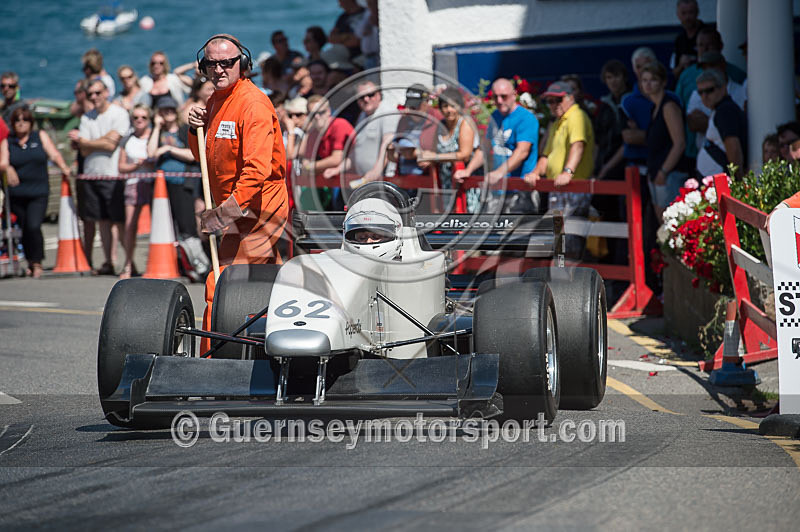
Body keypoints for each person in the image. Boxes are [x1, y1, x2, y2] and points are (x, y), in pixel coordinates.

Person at [186, 34, 289, 351]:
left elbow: (256, 170)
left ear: (242, 64)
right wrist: (194, 129)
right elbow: (204, 157)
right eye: (212, 64)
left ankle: (214, 360)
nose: (219, 69)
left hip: (257, 213)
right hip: (238, 212)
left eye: (227, 63)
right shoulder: (216, 100)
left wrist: (223, 215)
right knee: (270, 287)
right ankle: (263, 355)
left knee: (222, 286)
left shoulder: (252, 104)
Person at [524, 81, 595, 257]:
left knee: (569, 238)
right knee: (559, 239)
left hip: (573, 188)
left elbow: (578, 145)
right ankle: (561, 277)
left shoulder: (576, 116)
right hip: (558, 189)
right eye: (549, 101)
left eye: (558, 100)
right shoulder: (558, 121)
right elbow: (546, 155)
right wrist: (535, 173)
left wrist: (567, 172)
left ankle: (572, 280)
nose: (553, 105)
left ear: (570, 98)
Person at [68, 78, 130, 275]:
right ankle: (108, 262)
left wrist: (87, 141)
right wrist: (100, 141)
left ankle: (128, 263)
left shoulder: (118, 113)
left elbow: (111, 145)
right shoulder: (87, 117)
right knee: (100, 220)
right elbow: (85, 150)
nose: (94, 97)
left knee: (118, 222)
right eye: (90, 94)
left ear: (106, 93)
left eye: (97, 93)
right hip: (91, 175)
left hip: (112, 175)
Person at [455, 78, 539, 213]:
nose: (499, 101)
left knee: (517, 233)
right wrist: (468, 170)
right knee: (493, 232)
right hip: (498, 190)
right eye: (495, 97)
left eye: (504, 96)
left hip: (521, 190)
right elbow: (485, 149)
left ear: (514, 95)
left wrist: (499, 173)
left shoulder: (526, 118)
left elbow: (522, 152)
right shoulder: (495, 116)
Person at [5, 107, 71, 278]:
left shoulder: (39, 136)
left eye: (24, 120)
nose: (21, 123)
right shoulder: (8, 141)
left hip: (38, 191)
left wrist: (64, 167)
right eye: (17, 120)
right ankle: (29, 261)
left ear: (30, 122)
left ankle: (37, 262)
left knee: (34, 226)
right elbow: (2, 161)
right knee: (24, 227)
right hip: (17, 193)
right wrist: (8, 167)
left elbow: (54, 154)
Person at [327, 79, 399, 184]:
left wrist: (376, 171)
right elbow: (356, 152)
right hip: (366, 180)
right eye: (361, 97)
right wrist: (338, 169)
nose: (366, 99)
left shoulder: (387, 113)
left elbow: (388, 144)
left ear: (379, 95)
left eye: (370, 95)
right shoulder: (362, 116)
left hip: (384, 180)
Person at [640, 62, 687, 220]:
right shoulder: (654, 108)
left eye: (653, 79)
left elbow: (679, 143)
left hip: (669, 174)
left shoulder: (669, 106)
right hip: (655, 172)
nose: (648, 84)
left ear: (663, 82)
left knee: (672, 223)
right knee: (662, 224)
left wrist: (664, 171)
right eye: (644, 80)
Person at [148, 96, 199, 240]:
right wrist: (157, 127)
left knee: (187, 226)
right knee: (167, 227)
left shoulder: (184, 130)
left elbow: (193, 155)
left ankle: (190, 259)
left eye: (171, 109)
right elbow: (151, 153)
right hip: (162, 186)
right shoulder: (158, 132)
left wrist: (168, 149)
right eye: (164, 110)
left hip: (183, 183)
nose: (168, 112)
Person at [297, 95, 355, 209]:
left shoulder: (339, 124)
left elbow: (337, 159)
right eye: (313, 114)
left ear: (328, 112)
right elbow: (305, 162)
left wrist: (311, 167)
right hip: (331, 181)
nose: (317, 117)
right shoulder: (313, 132)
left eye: (321, 112)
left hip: (351, 180)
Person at [118, 104, 154, 279]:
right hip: (133, 183)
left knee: (160, 225)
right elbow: (121, 166)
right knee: (130, 225)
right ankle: (128, 264)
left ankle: (156, 263)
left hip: (153, 183)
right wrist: (135, 165)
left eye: (144, 117)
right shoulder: (127, 140)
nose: (139, 121)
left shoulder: (154, 136)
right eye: (136, 117)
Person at [418, 86, 475, 190]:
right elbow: (436, 152)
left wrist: (434, 157)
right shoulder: (440, 125)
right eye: (445, 106)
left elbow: (465, 155)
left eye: (453, 106)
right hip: (445, 183)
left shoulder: (465, 122)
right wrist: (428, 160)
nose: (449, 110)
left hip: (464, 182)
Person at [695, 69, 747, 179]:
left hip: (722, 180)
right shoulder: (719, 109)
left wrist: (737, 178)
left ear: (723, 88)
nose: (704, 96)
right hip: (713, 179)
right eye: (700, 92)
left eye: (709, 90)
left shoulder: (725, 111)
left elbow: (733, 145)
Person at [671, 0, 705, 80]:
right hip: (685, 83)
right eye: (683, 13)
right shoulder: (679, 40)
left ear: (697, 13)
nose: (687, 17)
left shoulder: (708, 34)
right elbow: (674, 73)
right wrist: (681, 65)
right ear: (678, 15)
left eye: (691, 12)